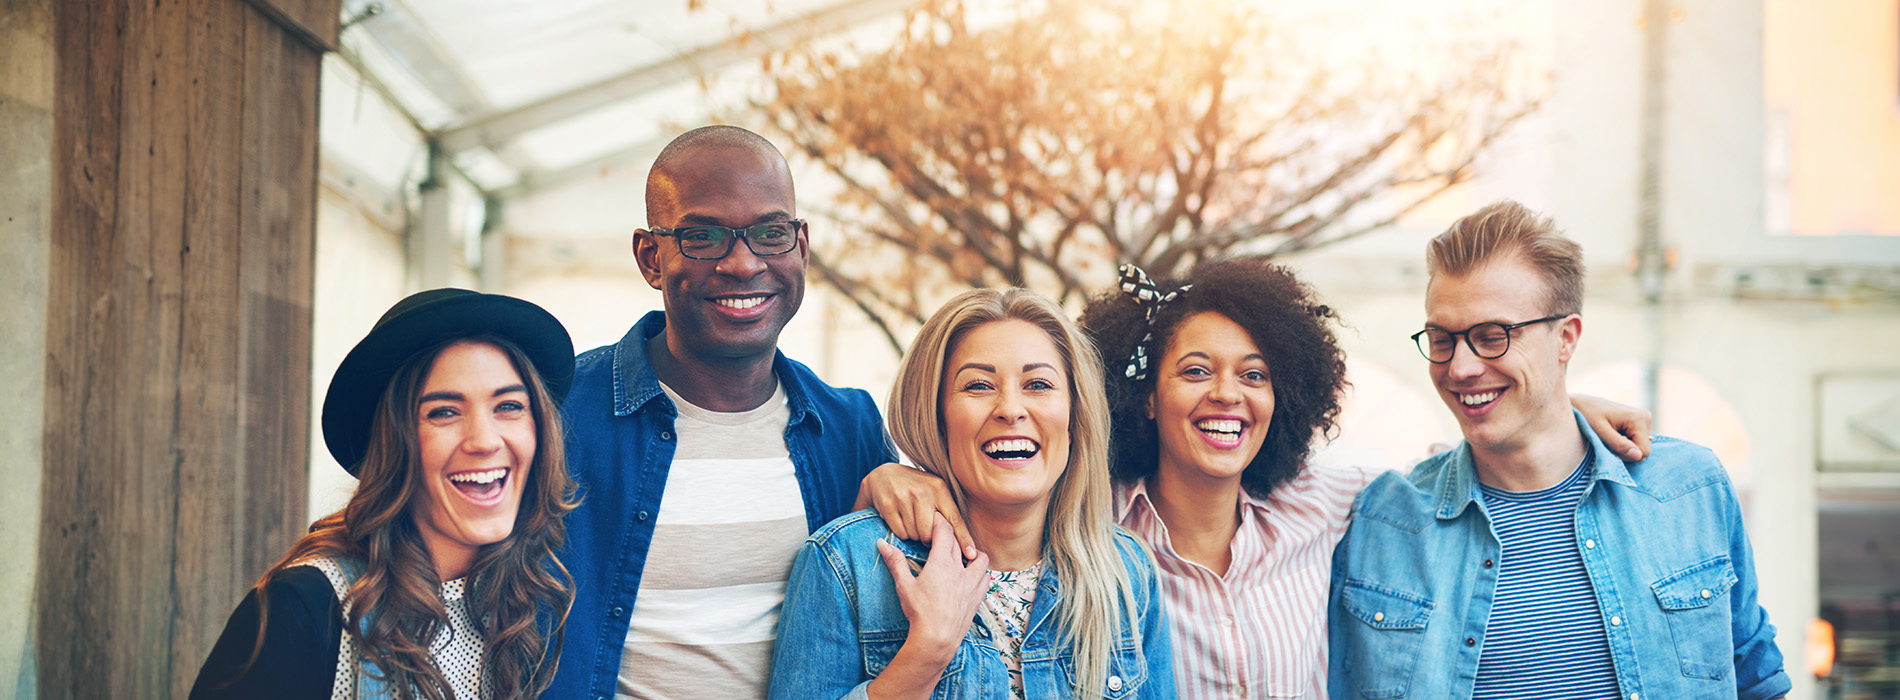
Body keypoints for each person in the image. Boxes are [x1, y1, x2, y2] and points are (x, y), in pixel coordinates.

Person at [864, 257, 1650, 699]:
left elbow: (1463, 471)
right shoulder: (1090, 524)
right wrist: (886, 478)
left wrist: (1556, 401)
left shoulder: (1331, 505)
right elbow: (1002, 474)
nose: (1227, 397)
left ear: (1286, 395)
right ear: (1143, 396)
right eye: (1196, 371)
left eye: (1255, 374)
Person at [1327, 201, 1790, 699]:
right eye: (1442, 340)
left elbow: (1756, 680)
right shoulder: (1382, 521)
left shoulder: (1689, 488)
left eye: (1491, 337)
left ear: (1565, 338)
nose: (1459, 368)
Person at [546, 125, 896, 700]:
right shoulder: (559, 416)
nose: (742, 262)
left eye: (770, 232)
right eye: (702, 236)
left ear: (801, 246)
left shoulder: (851, 431)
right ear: (649, 257)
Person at [768, 287, 1174, 700]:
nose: (1011, 409)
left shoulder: (1127, 571)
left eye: (1038, 384)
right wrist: (927, 652)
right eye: (978, 386)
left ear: (1074, 415)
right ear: (937, 414)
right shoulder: (847, 563)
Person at [189, 288, 580, 700]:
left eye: (509, 406)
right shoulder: (307, 609)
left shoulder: (525, 604)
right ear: (392, 442)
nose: (484, 440)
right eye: (444, 412)